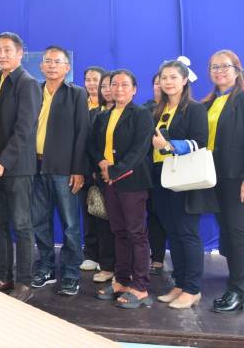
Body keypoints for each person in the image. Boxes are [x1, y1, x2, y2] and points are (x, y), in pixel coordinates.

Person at [150, 60, 217, 309]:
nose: (168, 82)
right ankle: (179, 284)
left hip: (185, 177)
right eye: (163, 78)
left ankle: (192, 289)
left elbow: (200, 142)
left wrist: (169, 146)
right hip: (161, 175)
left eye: (173, 77)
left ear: (185, 80)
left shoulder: (195, 108)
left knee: (188, 232)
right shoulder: (157, 110)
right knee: (173, 232)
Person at [0, 32, 41, 303]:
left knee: (22, 225)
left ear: (20, 54)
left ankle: (24, 283)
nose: (2, 55)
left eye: (7, 50)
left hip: (16, 167)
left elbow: (24, 129)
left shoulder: (27, 84)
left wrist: (4, 162)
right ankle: (3, 276)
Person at [204, 50, 244, 313]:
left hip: (239, 178)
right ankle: (235, 285)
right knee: (227, 232)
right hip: (214, 177)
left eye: (225, 66)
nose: (219, 71)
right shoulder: (211, 102)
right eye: (214, 67)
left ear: (237, 70)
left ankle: (239, 291)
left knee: (239, 232)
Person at [89, 70, 154, 309]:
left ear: (134, 89)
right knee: (119, 232)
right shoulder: (103, 116)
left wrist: (115, 171)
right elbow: (92, 144)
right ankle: (122, 281)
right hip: (109, 182)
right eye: (114, 84)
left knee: (136, 233)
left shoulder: (141, 114)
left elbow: (139, 150)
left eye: (125, 84)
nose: (118, 89)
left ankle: (140, 286)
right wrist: (102, 164)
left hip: (132, 182)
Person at [30, 46, 89, 296]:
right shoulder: (33, 91)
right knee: (38, 221)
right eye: (48, 61)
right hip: (34, 167)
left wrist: (78, 169)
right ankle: (46, 267)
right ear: (41, 66)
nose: (52, 65)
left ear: (67, 67)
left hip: (65, 169)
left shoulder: (77, 94)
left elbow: (82, 133)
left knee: (70, 224)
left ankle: (71, 273)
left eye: (57, 62)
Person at [80, 67, 115, 282]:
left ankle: (110, 259)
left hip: (117, 174)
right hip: (90, 171)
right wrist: (94, 168)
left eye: (99, 81)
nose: (93, 85)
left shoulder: (129, 112)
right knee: (92, 213)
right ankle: (92, 254)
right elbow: (89, 144)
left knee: (111, 219)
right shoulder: (89, 110)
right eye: (89, 80)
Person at [143, 73, 167, 276]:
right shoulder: (146, 110)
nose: (161, 86)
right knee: (154, 215)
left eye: (166, 81)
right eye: (157, 83)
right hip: (151, 171)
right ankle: (157, 258)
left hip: (176, 170)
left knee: (175, 218)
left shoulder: (182, 109)